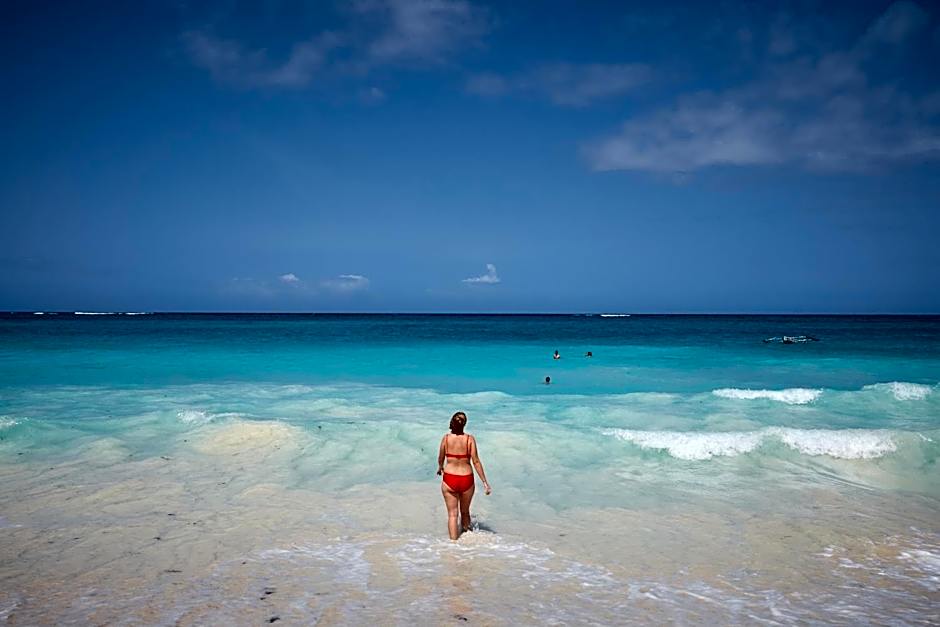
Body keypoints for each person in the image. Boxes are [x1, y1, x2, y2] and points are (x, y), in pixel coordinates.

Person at [437, 411, 491, 540]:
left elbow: (441, 457)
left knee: (452, 515)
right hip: (466, 479)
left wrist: (440, 468)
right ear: (464, 424)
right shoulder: (469, 439)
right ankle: (468, 543)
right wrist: (485, 482)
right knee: (465, 512)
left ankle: (453, 546)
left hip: (450, 478)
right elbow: (476, 461)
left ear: (452, 423)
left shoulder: (446, 438)